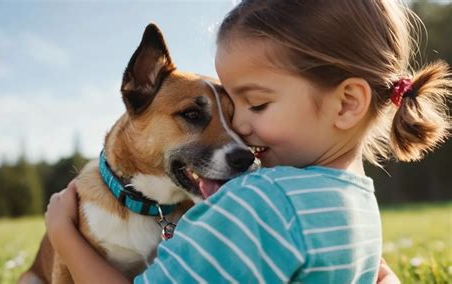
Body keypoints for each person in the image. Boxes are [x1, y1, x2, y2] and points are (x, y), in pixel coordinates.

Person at [45, 0, 451, 283]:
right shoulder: (360, 204)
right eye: (233, 107)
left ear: (347, 104)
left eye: (256, 104)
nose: (237, 128)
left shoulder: (259, 205)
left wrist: (63, 234)